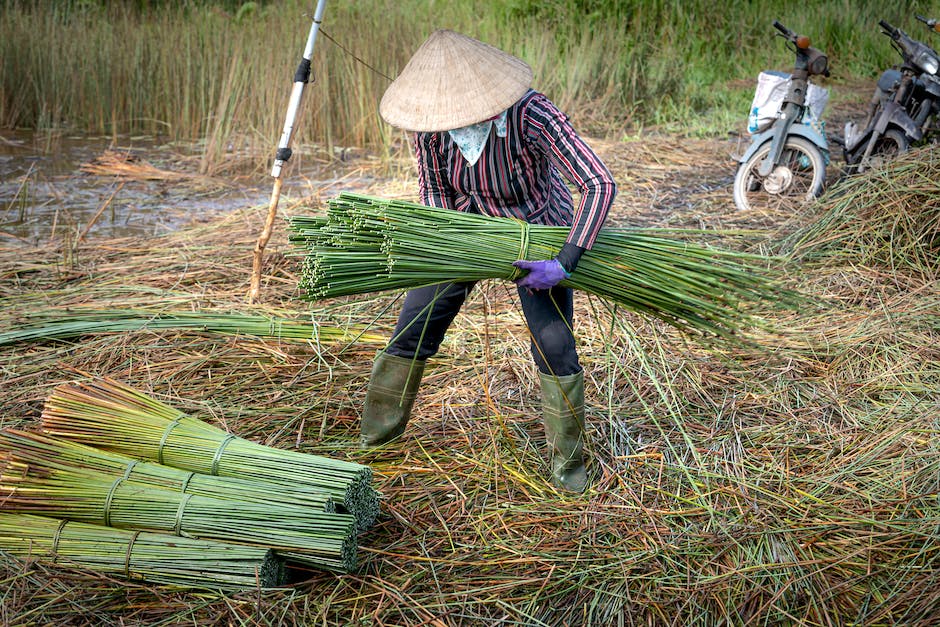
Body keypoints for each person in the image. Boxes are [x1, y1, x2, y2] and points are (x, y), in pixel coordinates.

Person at [359, 29, 617, 493]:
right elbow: (435, 189)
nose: (455, 119)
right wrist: (445, 244)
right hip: (464, 234)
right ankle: (376, 445)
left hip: (537, 235)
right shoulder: (431, 125)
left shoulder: (532, 115)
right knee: (413, 327)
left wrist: (565, 260)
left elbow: (599, 184)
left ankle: (569, 470)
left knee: (554, 343)